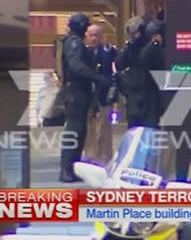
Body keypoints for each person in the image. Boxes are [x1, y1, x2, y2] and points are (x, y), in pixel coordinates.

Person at [59, 13, 112, 182]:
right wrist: (96, 78)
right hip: (76, 92)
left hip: (80, 92)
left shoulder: (77, 42)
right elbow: (76, 66)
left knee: (79, 132)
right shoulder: (74, 43)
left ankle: (71, 168)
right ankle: (67, 169)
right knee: (74, 131)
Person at [116, 16, 166, 129]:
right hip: (134, 96)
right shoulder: (131, 48)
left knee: (150, 131)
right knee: (134, 130)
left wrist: (152, 44)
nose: (134, 36)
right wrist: (130, 46)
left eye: (136, 33)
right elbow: (120, 63)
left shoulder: (153, 47)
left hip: (150, 95)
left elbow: (147, 60)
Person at [83, 24, 118, 165]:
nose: (93, 38)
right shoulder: (83, 53)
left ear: (101, 36)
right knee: (90, 129)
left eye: (96, 35)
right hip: (89, 96)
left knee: (104, 128)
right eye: (90, 35)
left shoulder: (109, 51)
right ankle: (91, 157)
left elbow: (117, 67)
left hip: (104, 96)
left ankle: (105, 156)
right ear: (87, 37)